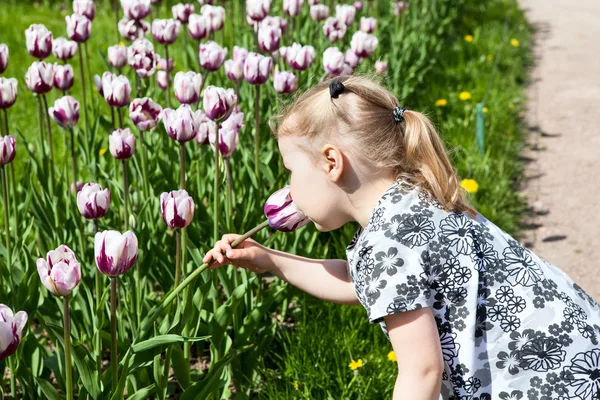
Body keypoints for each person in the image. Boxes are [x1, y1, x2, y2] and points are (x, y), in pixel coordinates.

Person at [202, 75, 600, 400]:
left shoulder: (386, 243)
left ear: (331, 162)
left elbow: (423, 372)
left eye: (290, 169)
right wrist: (270, 259)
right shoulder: (413, 195)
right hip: (578, 356)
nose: (288, 188)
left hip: (540, 383)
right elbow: (366, 284)